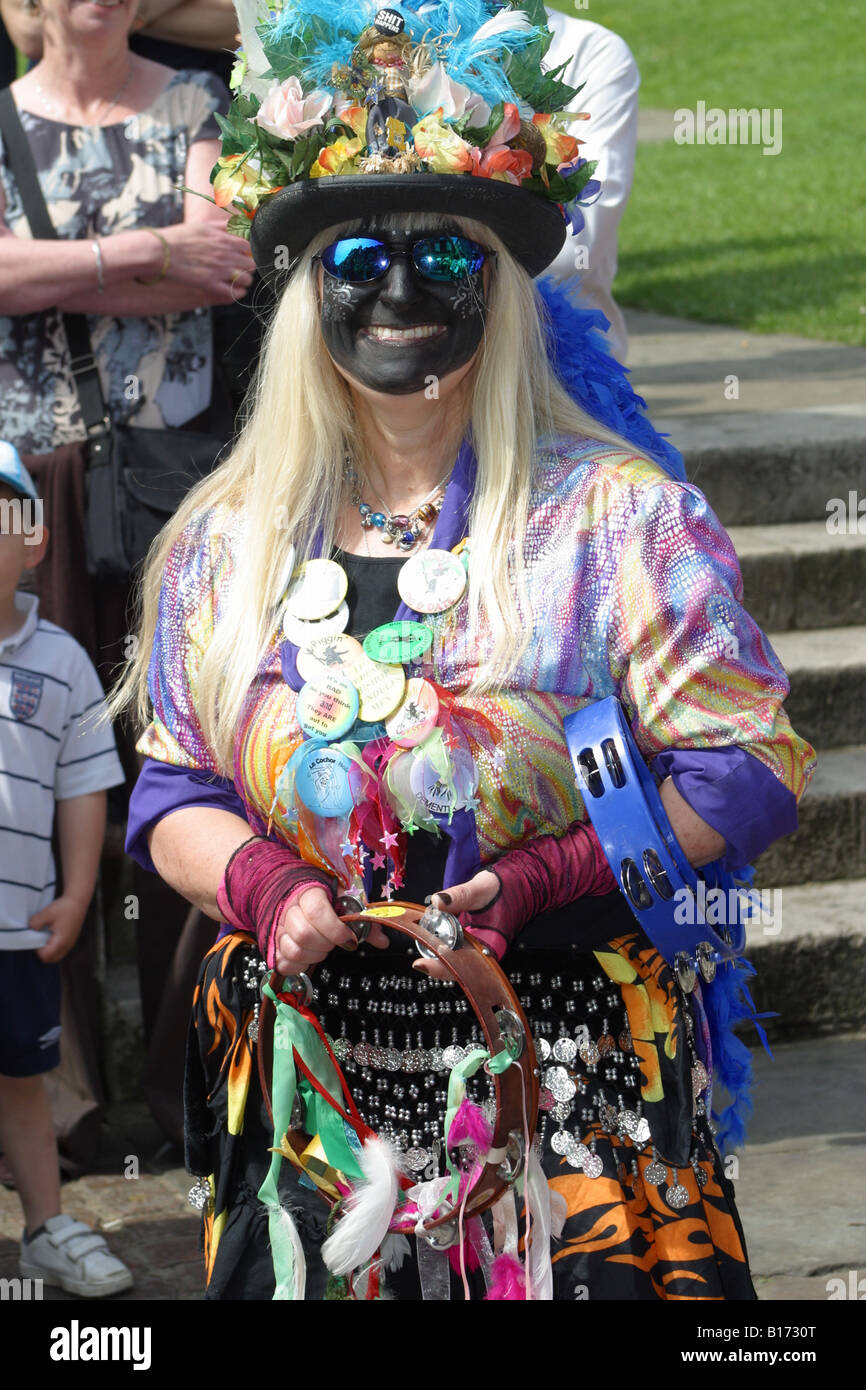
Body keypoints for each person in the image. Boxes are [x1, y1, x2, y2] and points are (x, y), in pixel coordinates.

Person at [118, 1, 814, 1300]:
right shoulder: (225, 540)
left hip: (576, 1075)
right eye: (360, 253)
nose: (396, 288)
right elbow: (173, 789)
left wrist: (552, 870)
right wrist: (269, 886)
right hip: (315, 1094)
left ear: (501, 287)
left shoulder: (621, 520)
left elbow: (747, 764)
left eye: (446, 258)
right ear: (305, 290)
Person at [0, 442, 132, 1297]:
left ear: (34, 538)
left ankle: (46, 1226)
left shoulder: (66, 664)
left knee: (23, 1082)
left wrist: (80, 893)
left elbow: (84, 789)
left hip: (19, 929)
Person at [540, 8, 639, 364]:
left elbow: (573, 249)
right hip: (387, 379)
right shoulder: (381, 39)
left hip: (557, 370)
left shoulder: (591, 51)